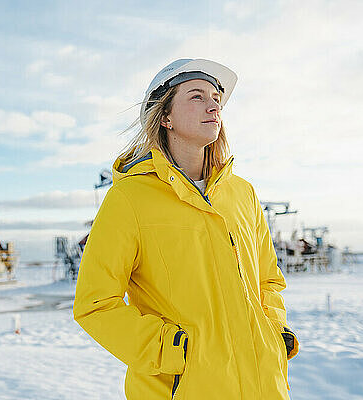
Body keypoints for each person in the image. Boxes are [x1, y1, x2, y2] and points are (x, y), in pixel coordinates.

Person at [73, 59, 299, 399]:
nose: (213, 106)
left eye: (216, 98)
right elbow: (95, 304)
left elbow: (267, 279)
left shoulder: (243, 194)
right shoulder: (129, 198)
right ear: (166, 118)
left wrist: (275, 331)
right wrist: (167, 350)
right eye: (196, 96)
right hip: (182, 388)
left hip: (265, 384)